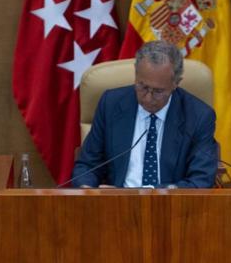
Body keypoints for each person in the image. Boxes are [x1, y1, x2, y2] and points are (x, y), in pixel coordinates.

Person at [71, 41, 218, 188]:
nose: (148, 98)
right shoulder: (110, 104)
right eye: (142, 87)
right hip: (117, 200)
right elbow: (87, 165)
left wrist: (151, 193)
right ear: (136, 75)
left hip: (170, 201)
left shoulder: (199, 116)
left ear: (176, 83)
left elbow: (201, 180)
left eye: (158, 91)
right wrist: (87, 189)